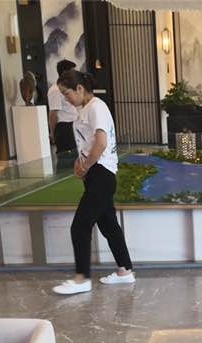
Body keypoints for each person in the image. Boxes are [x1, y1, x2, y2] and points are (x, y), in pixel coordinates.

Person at [52, 70, 135, 295]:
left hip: (102, 175)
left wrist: (86, 165)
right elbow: (88, 143)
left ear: (80, 88)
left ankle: (82, 278)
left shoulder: (96, 107)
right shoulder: (85, 109)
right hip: (96, 174)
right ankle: (125, 271)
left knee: (80, 226)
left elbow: (101, 142)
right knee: (109, 225)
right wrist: (80, 163)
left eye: (67, 93)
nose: (66, 98)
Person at [47, 59, 78, 156]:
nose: (75, 74)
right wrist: (52, 133)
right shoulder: (55, 90)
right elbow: (53, 113)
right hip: (65, 128)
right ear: (65, 72)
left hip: (74, 124)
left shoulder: (70, 87)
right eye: (72, 71)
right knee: (66, 157)